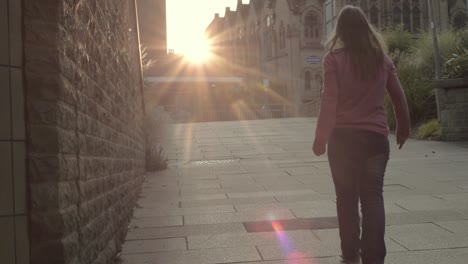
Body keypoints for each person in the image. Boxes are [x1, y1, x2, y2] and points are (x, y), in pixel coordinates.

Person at [312, 5, 410, 264]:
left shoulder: (333, 59)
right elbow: (398, 97)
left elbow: (329, 100)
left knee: (346, 200)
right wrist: (403, 128)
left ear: (341, 30)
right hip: (376, 142)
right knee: (372, 198)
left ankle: (350, 256)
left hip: (343, 142)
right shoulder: (382, 59)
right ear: (366, 27)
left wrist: (321, 137)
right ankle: (374, 257)